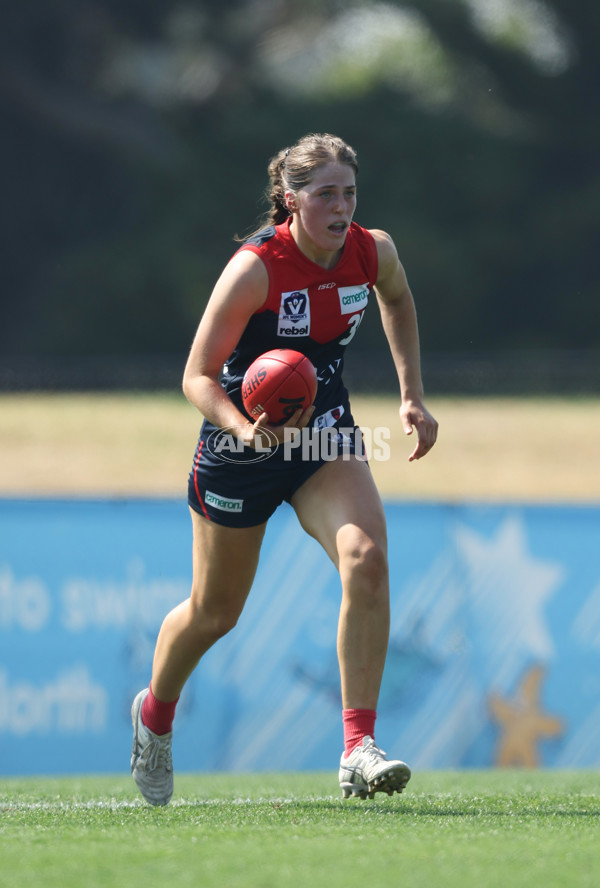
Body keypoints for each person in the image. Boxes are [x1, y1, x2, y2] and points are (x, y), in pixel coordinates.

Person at [130, 133, 438, 806]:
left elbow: (399, 299)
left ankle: (358, 747)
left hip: (325, 439)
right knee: (216, 613)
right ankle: (154, 715)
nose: (341, 206)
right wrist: (245, 428)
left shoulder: (370, 250)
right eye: (325, 193)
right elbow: (196, 377)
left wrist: (412, 395)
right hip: (241, 449)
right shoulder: (256, 268)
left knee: (366, 559)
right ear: (290, 199)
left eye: (349, 192)